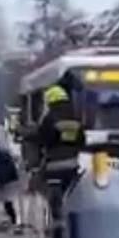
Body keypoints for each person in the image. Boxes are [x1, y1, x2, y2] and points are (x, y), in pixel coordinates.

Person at [34, 84, 83, 225]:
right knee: (71, 193)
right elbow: (82, 140)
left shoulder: (49, 118)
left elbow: (43, 139)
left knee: (48, 192)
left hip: (54, 165)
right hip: (72, 163)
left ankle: (56, 224)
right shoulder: (75, 118)